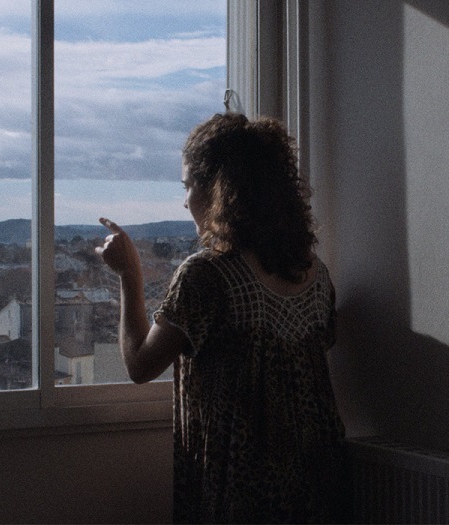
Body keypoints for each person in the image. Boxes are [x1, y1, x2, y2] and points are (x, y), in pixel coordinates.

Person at [96, 112, 346, 524]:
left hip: (240, 490)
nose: (184, 200)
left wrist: (129, 274)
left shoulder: (207, 275)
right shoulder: (314, 274)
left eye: (188, 185)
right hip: (319, 481)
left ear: (217, 189)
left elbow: (140, 365)